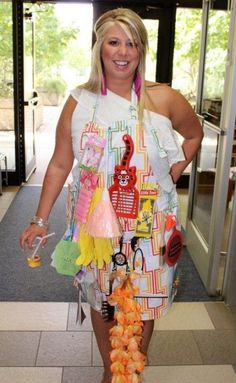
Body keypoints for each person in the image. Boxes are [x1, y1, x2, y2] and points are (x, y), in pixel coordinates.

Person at [20, 7, 203, 383]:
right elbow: (58, 164)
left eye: (132, 43)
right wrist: (39, 220)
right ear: (99, 48)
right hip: (95, 227)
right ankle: (111, 371)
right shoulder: (79, 101)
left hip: (153, 225)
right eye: (114, 42)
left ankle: (132, 368)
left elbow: (194, 134)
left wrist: (171, 173)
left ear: (142, 50)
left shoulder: (164, 98)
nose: (123, 52)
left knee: (145, 300)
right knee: (104, 299)